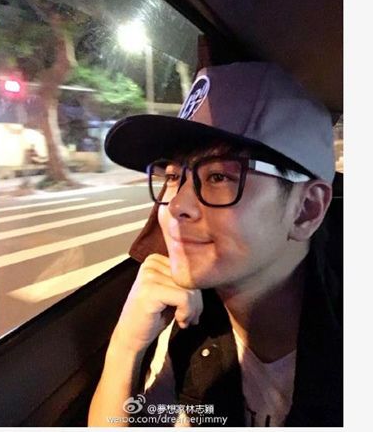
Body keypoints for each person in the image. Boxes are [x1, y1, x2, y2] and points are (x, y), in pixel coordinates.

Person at [88, 62, 342, 427]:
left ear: (306, 209)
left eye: (219, 176)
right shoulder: (187, 322)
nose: (176, 205)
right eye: (173, 176)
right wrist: (125, 349)